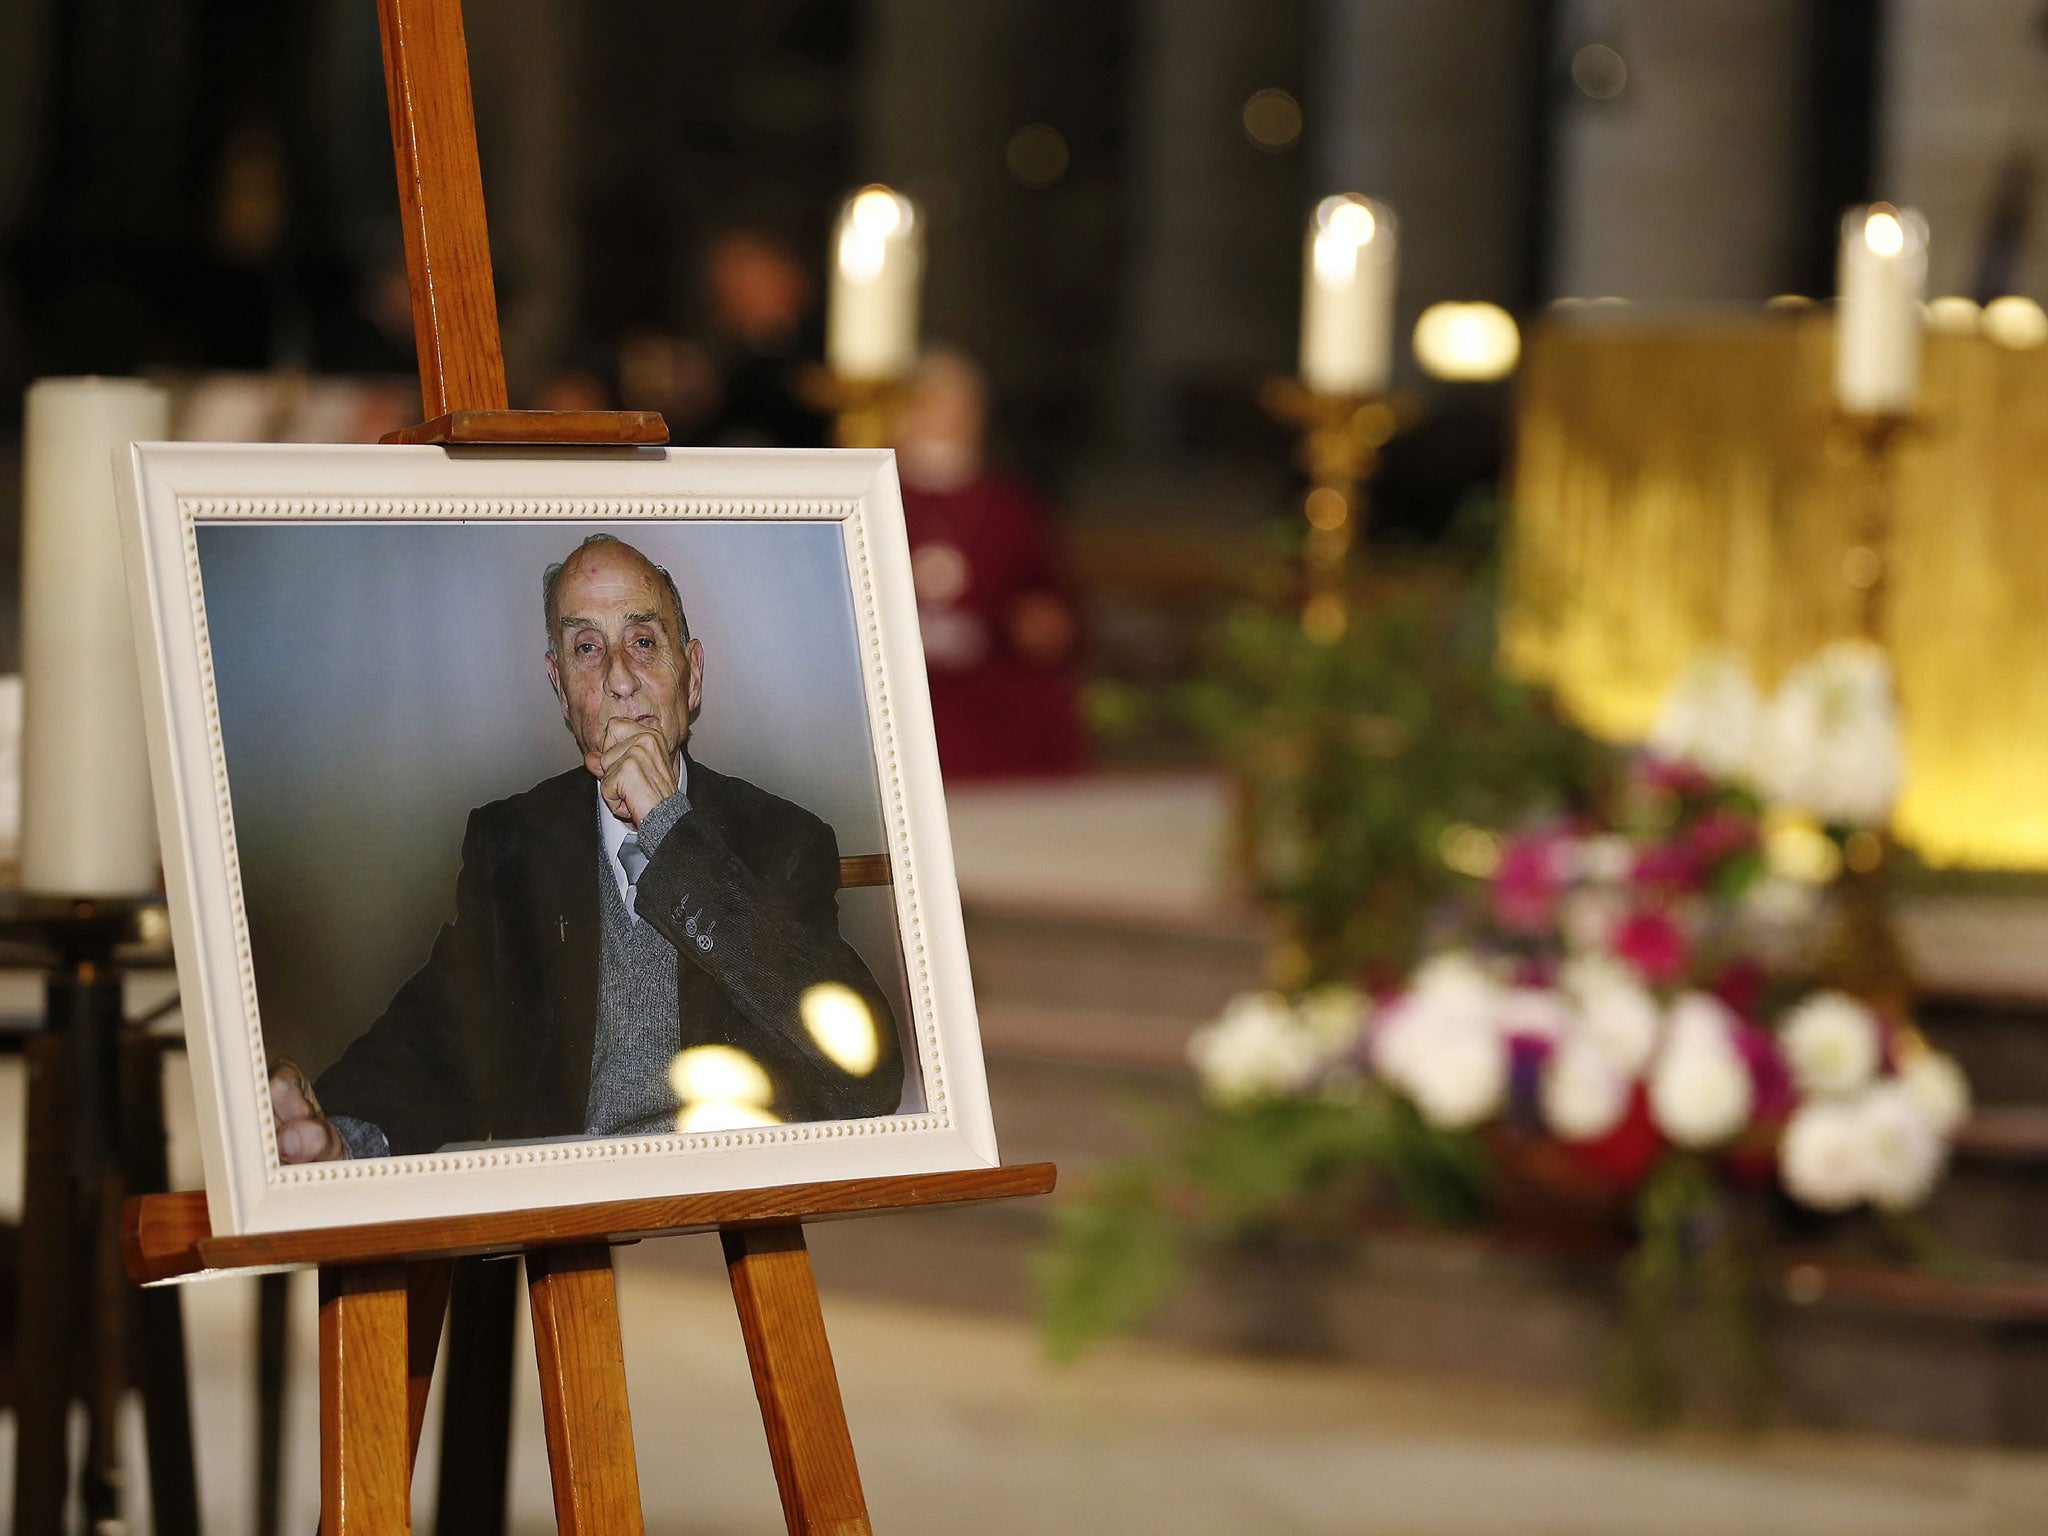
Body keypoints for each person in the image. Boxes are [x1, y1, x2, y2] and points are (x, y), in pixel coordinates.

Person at [269, 533, 903, 1161]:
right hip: (568, 1212)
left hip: (723, 1200)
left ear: (693, 678)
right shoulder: (511, 843)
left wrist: (671, 832)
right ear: (561, 688)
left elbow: (861, 1079)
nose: (620, 679)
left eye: (645, 644)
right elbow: (443, 1034)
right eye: (588, 648)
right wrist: (341, 1137)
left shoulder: (783, 838)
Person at [892, 347, 1088, 780]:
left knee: (1037, 699)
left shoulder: (1008, 505)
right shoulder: (875, 494)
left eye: (958, 409)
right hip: (892, 668)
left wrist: (1042, 620)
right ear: (906, 413)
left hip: (987, 666)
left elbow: (1046, 593)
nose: (946, 421)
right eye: (931, 405)